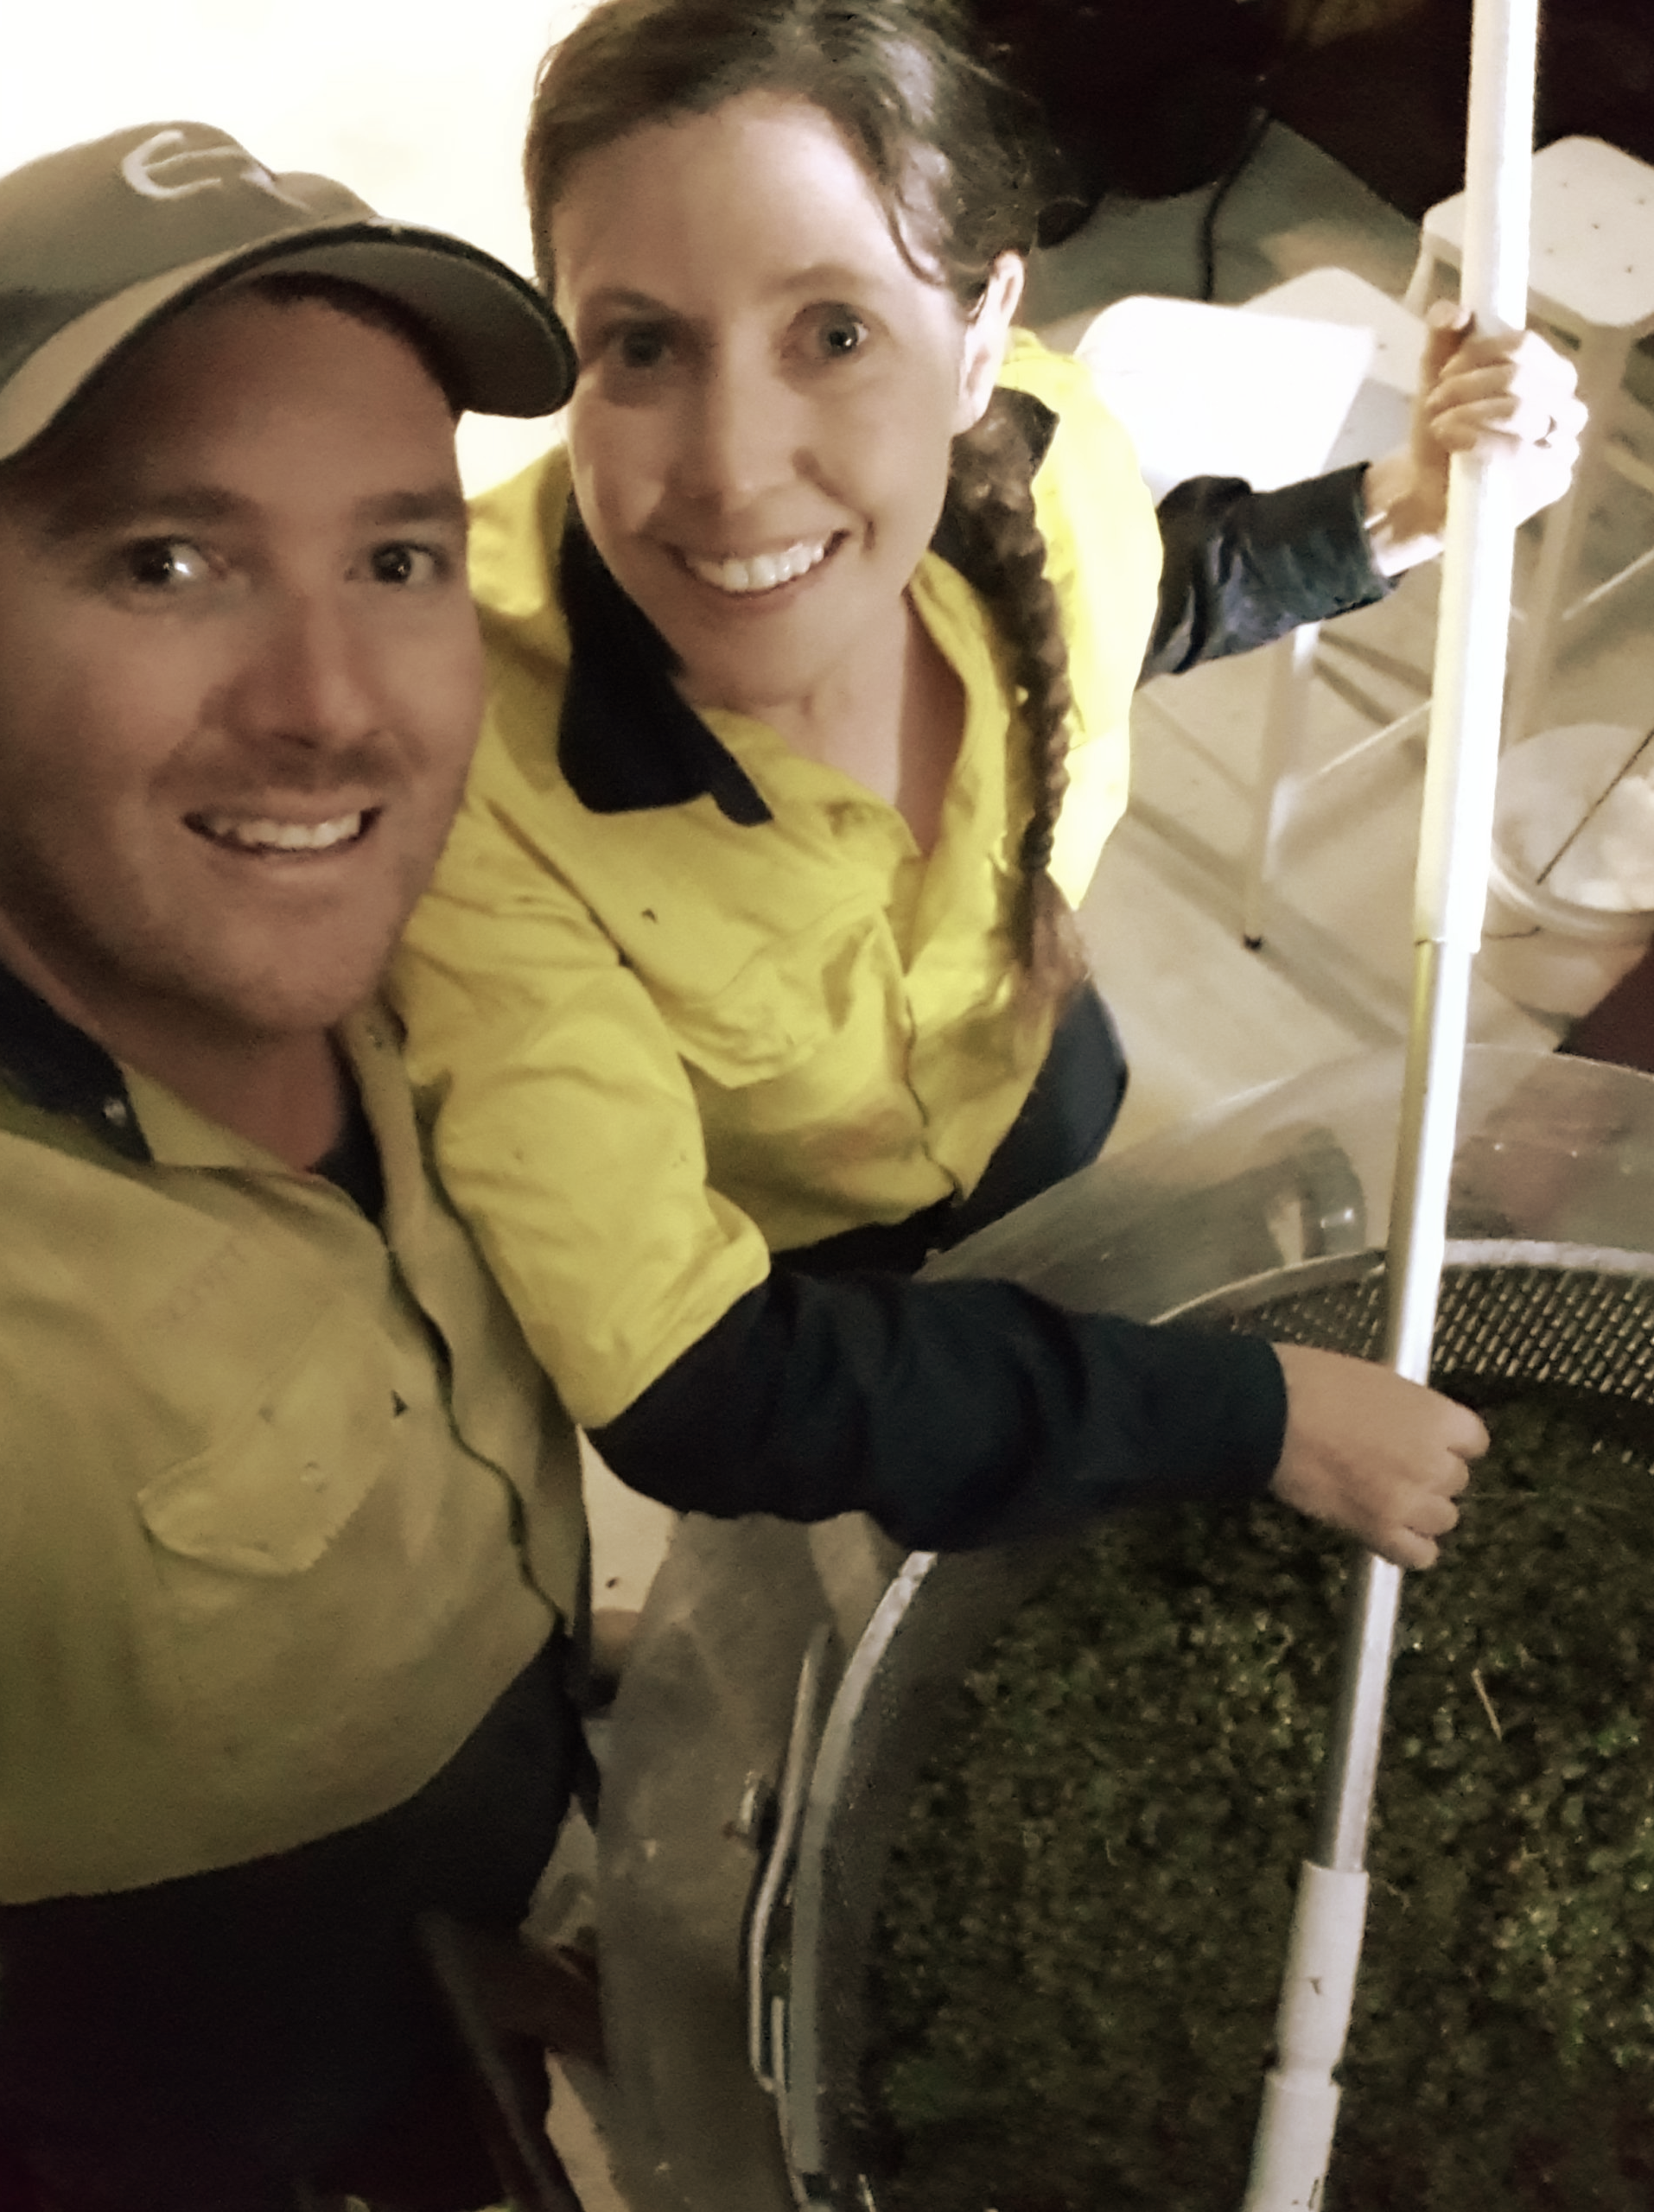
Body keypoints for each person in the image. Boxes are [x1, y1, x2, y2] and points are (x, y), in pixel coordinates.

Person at [395, 0, 1580, 1572]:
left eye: (833, 334)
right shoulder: (469, 761)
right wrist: (1257, 1419)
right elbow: (697, 1380)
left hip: (1048, 1095)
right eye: (644, 346)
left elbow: (1121, 616)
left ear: (977, 337)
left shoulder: (1050, 453)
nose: (734, 467)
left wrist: (1405, 511)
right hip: (826, 1279)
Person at [0, 121, 600, 2211]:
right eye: (167, 559)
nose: (332, 710)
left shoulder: (447, 955)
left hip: (484, 1937)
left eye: (397, 554)